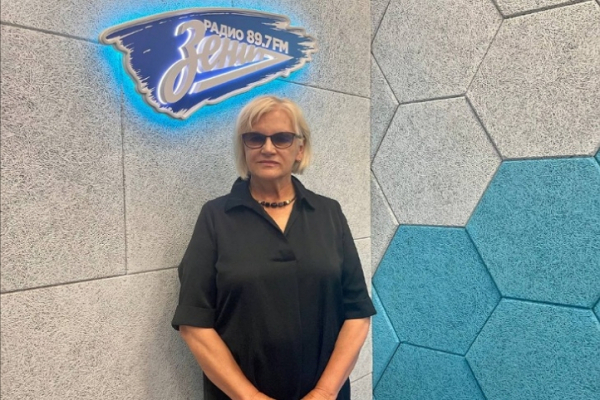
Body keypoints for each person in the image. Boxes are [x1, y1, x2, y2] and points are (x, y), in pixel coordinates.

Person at [171, 95, 375, 400]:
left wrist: (324, 391)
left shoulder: (328, 213)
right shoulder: (215, 218)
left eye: (281, 138)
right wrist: (251, 397)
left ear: (299, 148)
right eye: (255, 138)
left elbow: (357, 312)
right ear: (244, 147)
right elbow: (194, 322)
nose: (267, 148)